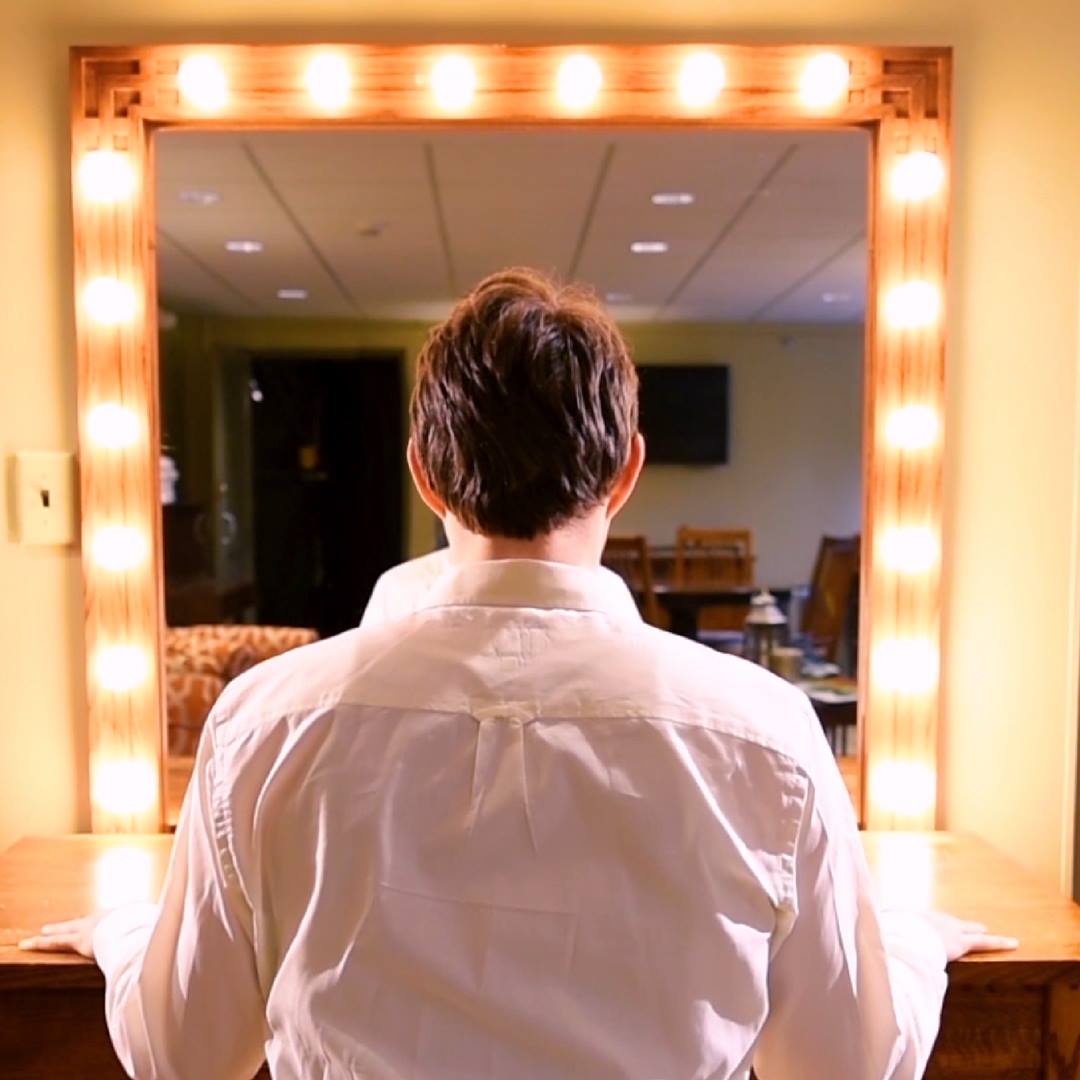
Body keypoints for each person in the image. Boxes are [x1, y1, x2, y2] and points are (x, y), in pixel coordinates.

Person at [23, 268, 1015, 1079]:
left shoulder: (265, 724)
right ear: (626, 470)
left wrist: (125, 936)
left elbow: (183, 1060)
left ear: (424, 471)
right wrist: (912, 943)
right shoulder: (767, 734)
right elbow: (844, 1067)